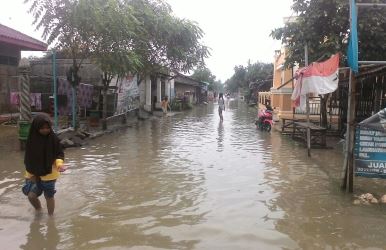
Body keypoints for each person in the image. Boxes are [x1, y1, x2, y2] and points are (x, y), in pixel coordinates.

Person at [22, 114, 66, 215]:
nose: (45, 130)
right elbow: (29, 159)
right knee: (31, 196)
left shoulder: (53, 139)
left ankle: (51, 219)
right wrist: (30, 175)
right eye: (42, 128)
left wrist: (59, 164)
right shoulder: (31, 141)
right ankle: (39, 211)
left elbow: (59, 154)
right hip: (34, 175)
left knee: (49, 197)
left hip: (49, 175)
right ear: (36, 128)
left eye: (47, 128)